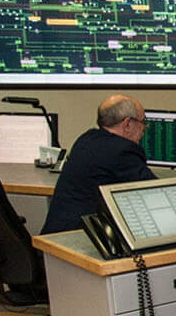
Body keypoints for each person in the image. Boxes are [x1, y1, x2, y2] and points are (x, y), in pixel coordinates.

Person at [40, 94, 155, 234]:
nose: (144, 129)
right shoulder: (122, 150)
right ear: (127, 124)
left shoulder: (86, 138)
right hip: (77, 240)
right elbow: (155, 193)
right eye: (143, 122)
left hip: (54, 235)